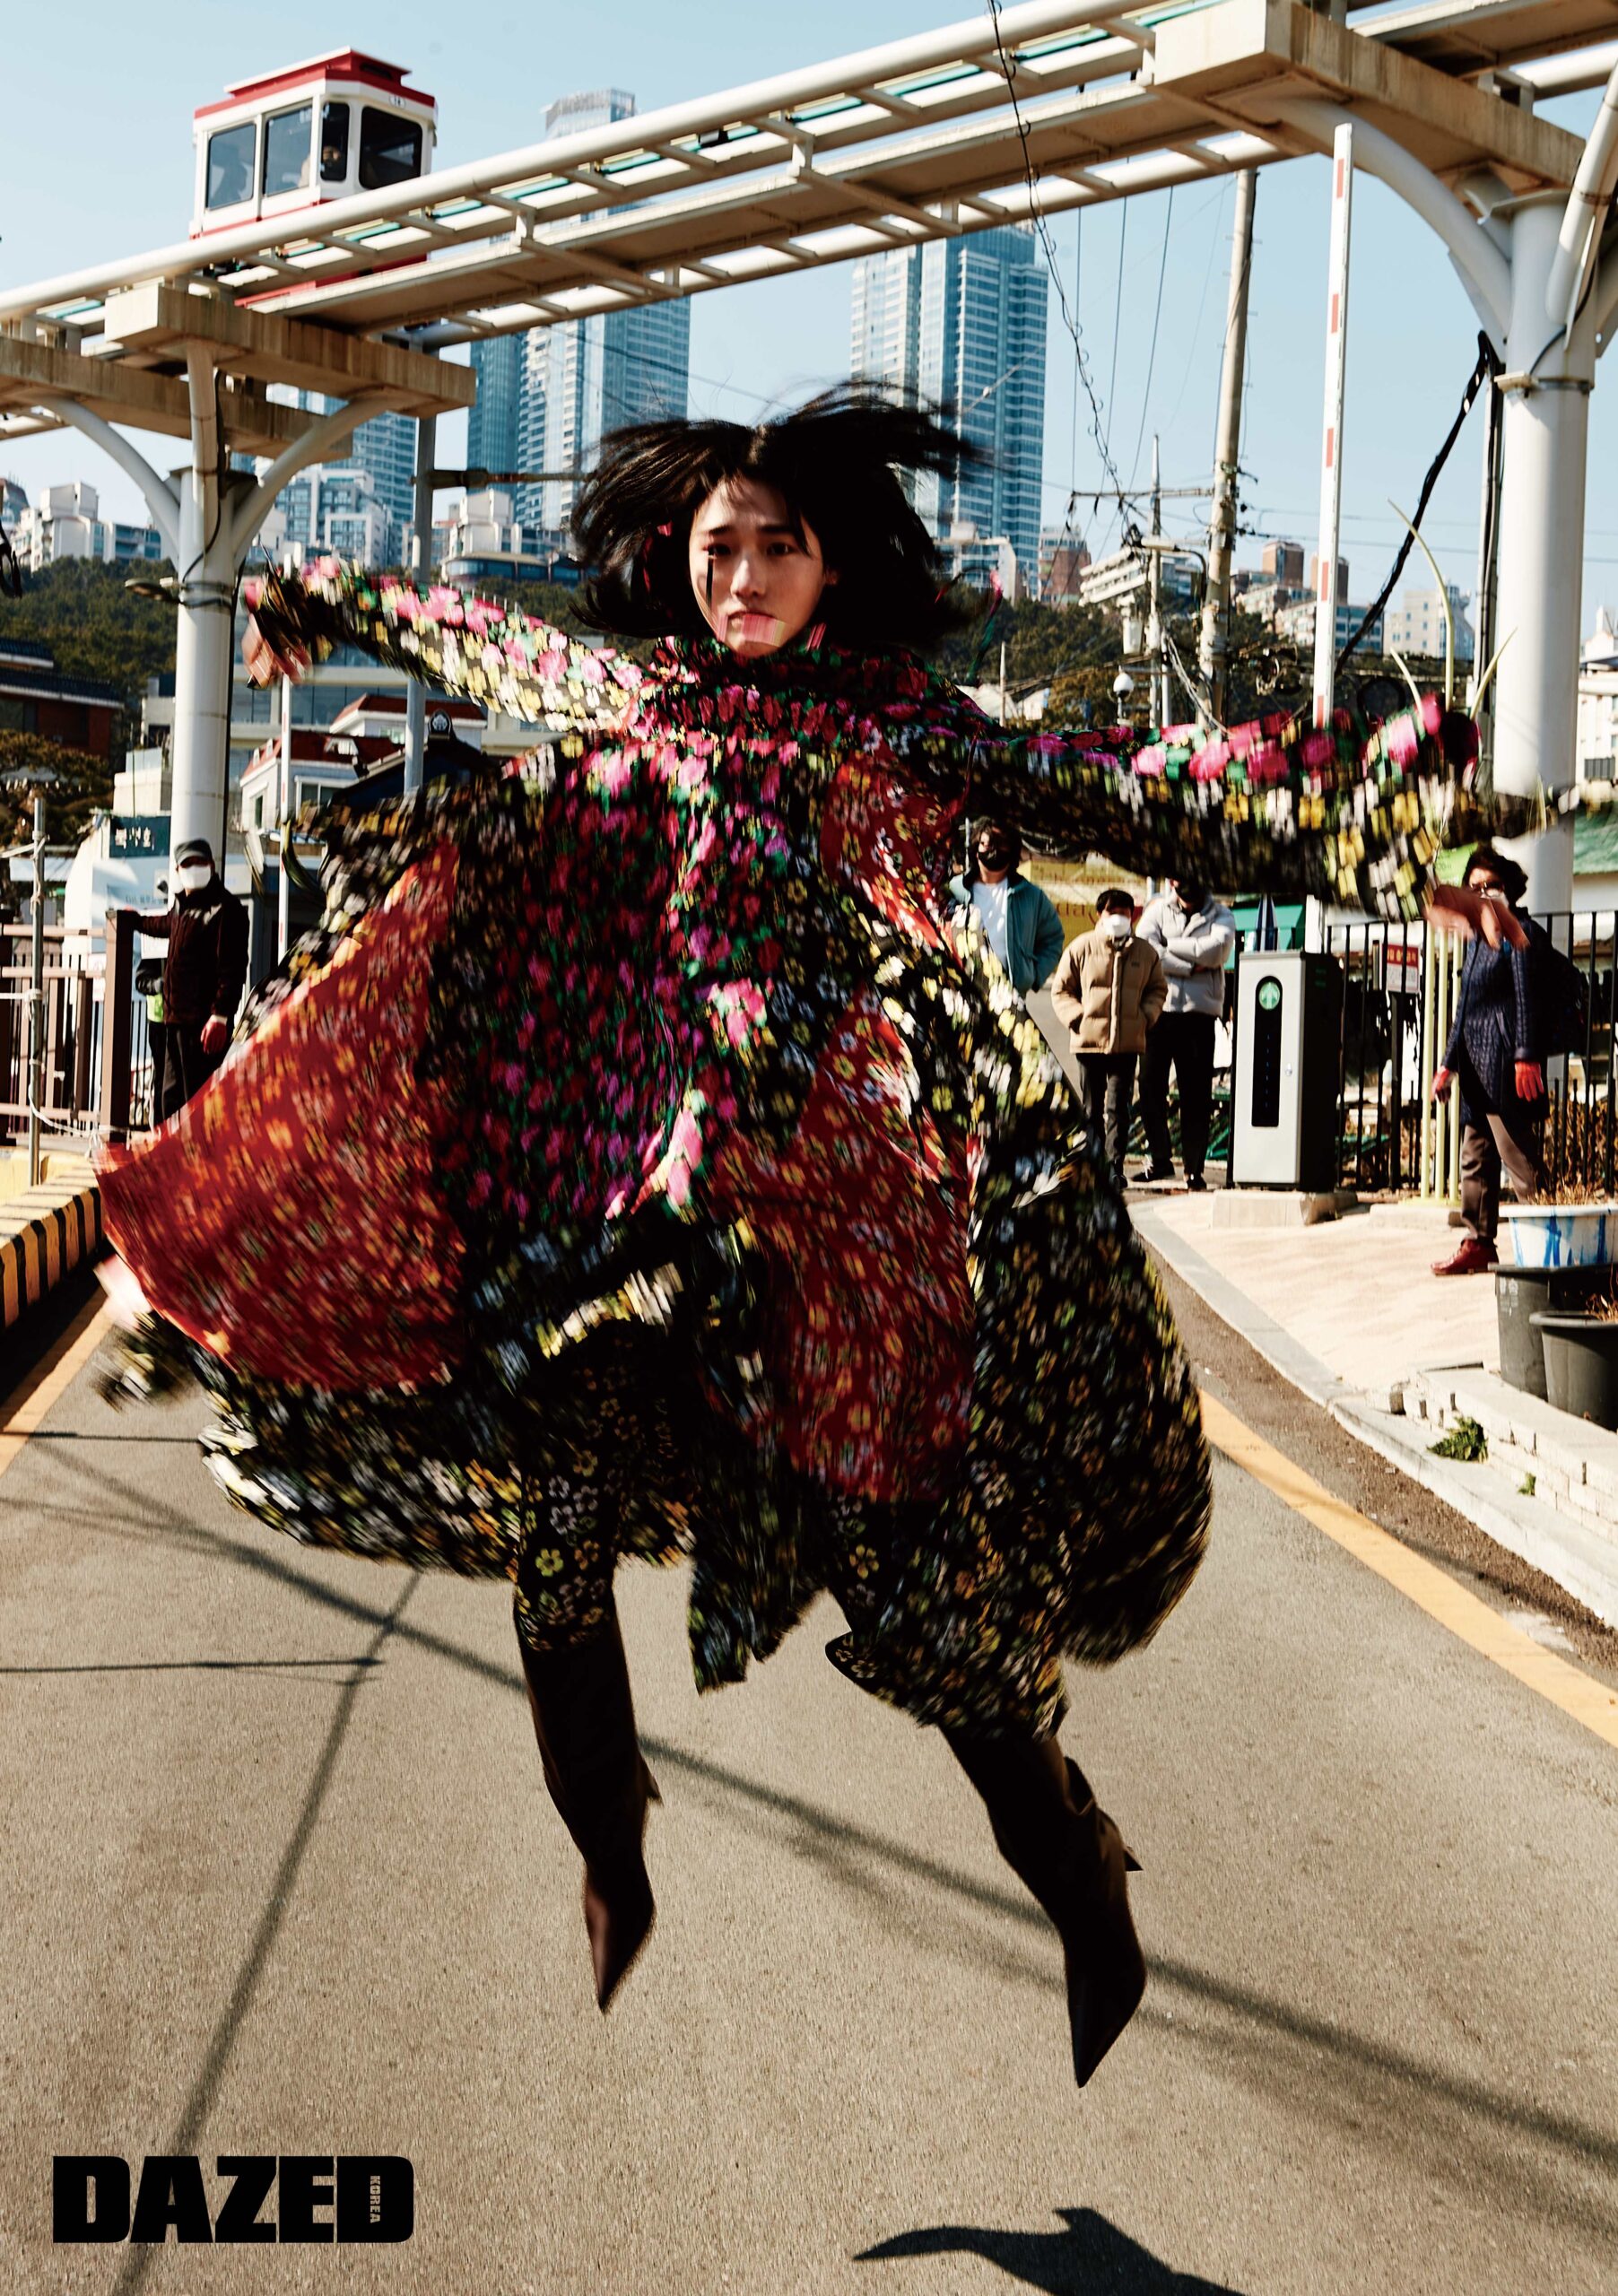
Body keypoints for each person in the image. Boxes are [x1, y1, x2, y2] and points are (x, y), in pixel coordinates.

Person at [95, 389, 1491, 2092]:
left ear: (835, 565)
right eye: (717, 549)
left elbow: (1121, 787)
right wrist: (332, 592)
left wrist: (1372, 835)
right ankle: (610, 1851)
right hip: (652, 1208)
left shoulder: (902, 725)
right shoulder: (639, 705)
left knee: (923, 1601)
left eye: (777, 547)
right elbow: (482, 639)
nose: (743, 576)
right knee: (556, 1527)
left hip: (849, 1215)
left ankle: (1079, 1870)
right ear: (673, 562)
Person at [1431, 842, 1546, 1275]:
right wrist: (1447, 1064)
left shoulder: (1520, 930)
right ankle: (1478, 1243)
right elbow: (1464, 1007)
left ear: (1508, 889)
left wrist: (1525, 1056)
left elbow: (1526, 996)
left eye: (1491, 885)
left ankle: (1551, 1236)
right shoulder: (1477, 940)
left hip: (1504, 1060)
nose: (1483, 894)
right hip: (1474, 1065)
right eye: (1474, 888)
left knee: (1517, 1156)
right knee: (1475, 1157)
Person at [117, 839, 248, 1120]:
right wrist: (136, 921)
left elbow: (233, 969)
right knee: (170, 1096)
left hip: (203, 1024)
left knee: (198, 1099)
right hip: (174, 1020)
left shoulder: (227, 909)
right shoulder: (181, 907)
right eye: (188, 863)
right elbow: (163, 924)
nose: (194, 868)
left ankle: (198, 1147)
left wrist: (220, 1016)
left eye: (200, 862)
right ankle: (171, 1146)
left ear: (212, 866)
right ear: (177, 870)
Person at [1048, 890, 1166, 1181]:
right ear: (1099, 914)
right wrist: (1078, 1018)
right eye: (1112, 912)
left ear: (1132, 916)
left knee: (1118, 1108)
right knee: (1091, 1109)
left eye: (1124, 913)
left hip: (1127, 1044)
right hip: (1088, 1044)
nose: (1118, 918)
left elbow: (1157, 989)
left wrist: (1145, 1017)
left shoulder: (1145, 953)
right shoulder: (1081, 947)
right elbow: (1061, 989)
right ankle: (1095, 1166)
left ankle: (1114, 1167)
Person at [1136, 875, 1236, 1191]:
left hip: (1199, 1014)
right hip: (1159, 1010)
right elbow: (1146, 949)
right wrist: (1190, 965)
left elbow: (1216, 952)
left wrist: (1169, 947)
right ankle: (1160, 1159)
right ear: (1171, 881)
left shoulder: (1222, 914)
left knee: (1196, 1096)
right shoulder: (1157, 910)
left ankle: (1194, 1169)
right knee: (1149, 1087)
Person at [946, 818, 1065, 995]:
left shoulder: (1031, 895)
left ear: (1012, 850)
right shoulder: (955, 889)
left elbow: (1053, 938)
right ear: (976, 849)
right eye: (987, 844)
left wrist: (1033, 975)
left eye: (1001, 843)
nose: (994, 850)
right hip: (962, 990)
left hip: (1009, 994)